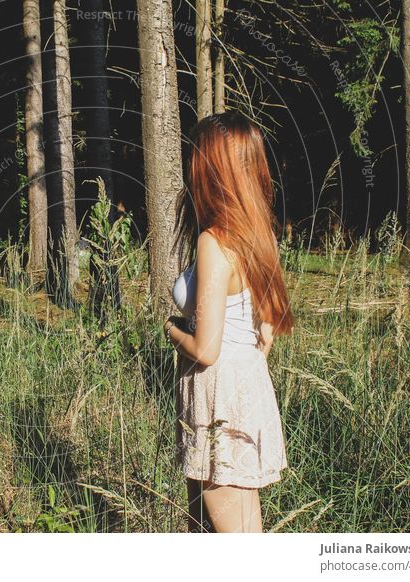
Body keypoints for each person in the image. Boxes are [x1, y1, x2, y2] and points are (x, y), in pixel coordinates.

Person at [164, 111, 294, 533]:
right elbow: (267, 330)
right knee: (208, 532)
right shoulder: (256, 234)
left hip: (217, 395)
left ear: (212, 168)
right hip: (243, 387)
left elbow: (206, 349)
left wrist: (171, 329)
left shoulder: (214, 242)